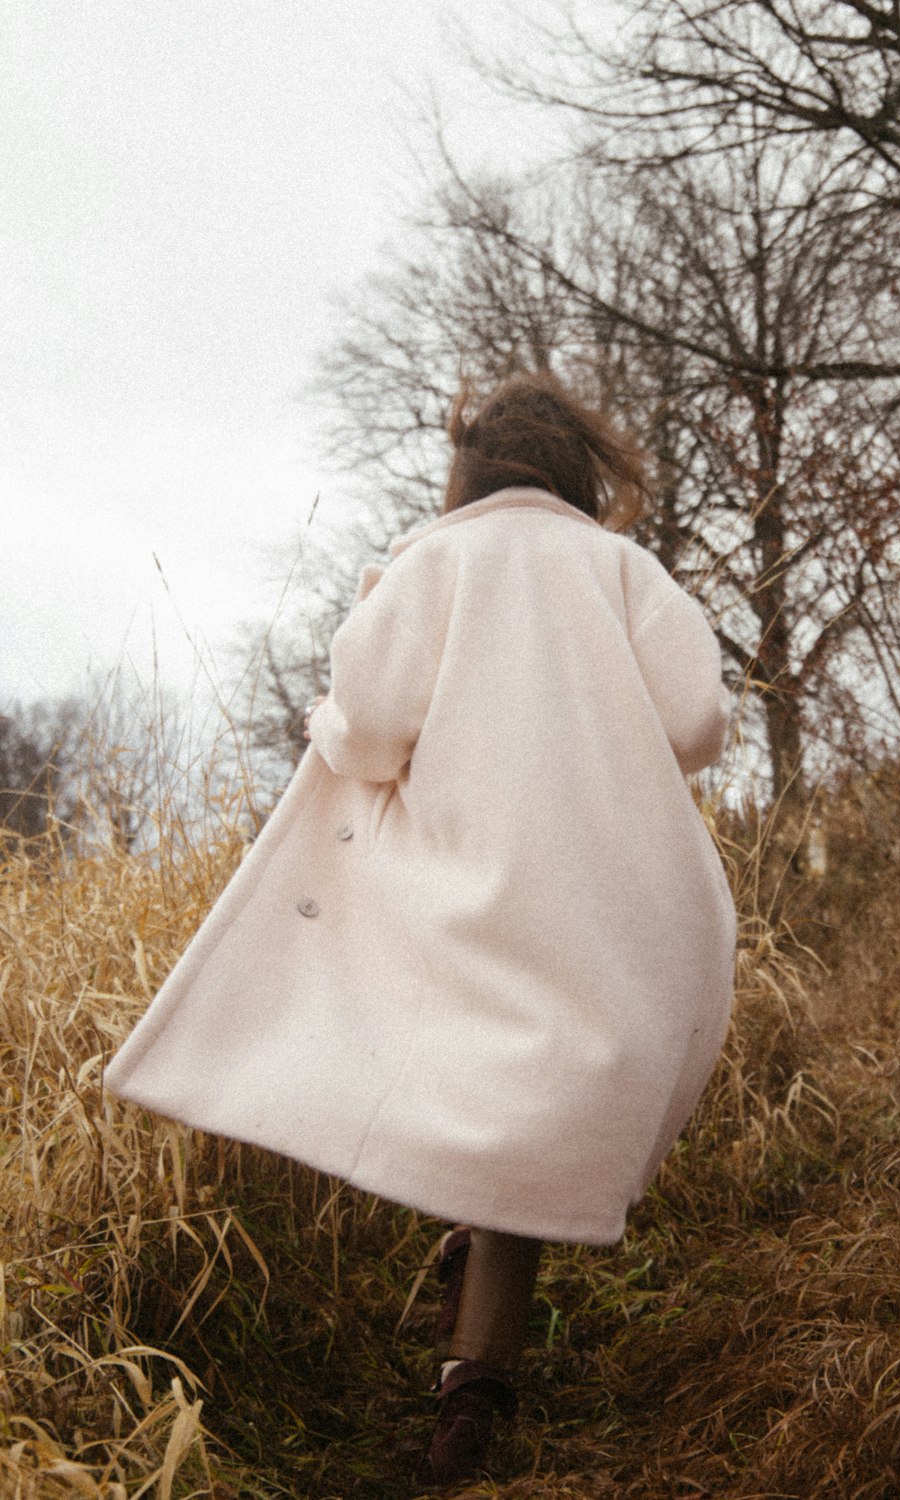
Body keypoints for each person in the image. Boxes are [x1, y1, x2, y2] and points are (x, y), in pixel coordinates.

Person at [104, 371, 736, 1488]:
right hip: (606, 891)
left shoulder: (434, 561)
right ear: (578, 468)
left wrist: (330, 723)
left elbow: (369, 734)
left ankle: (469, 1352)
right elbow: (694, 724)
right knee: (533, 1098)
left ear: (470, 468)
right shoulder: (625, 569)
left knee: (477, 1078)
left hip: (462, 880)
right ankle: (474, 1370)